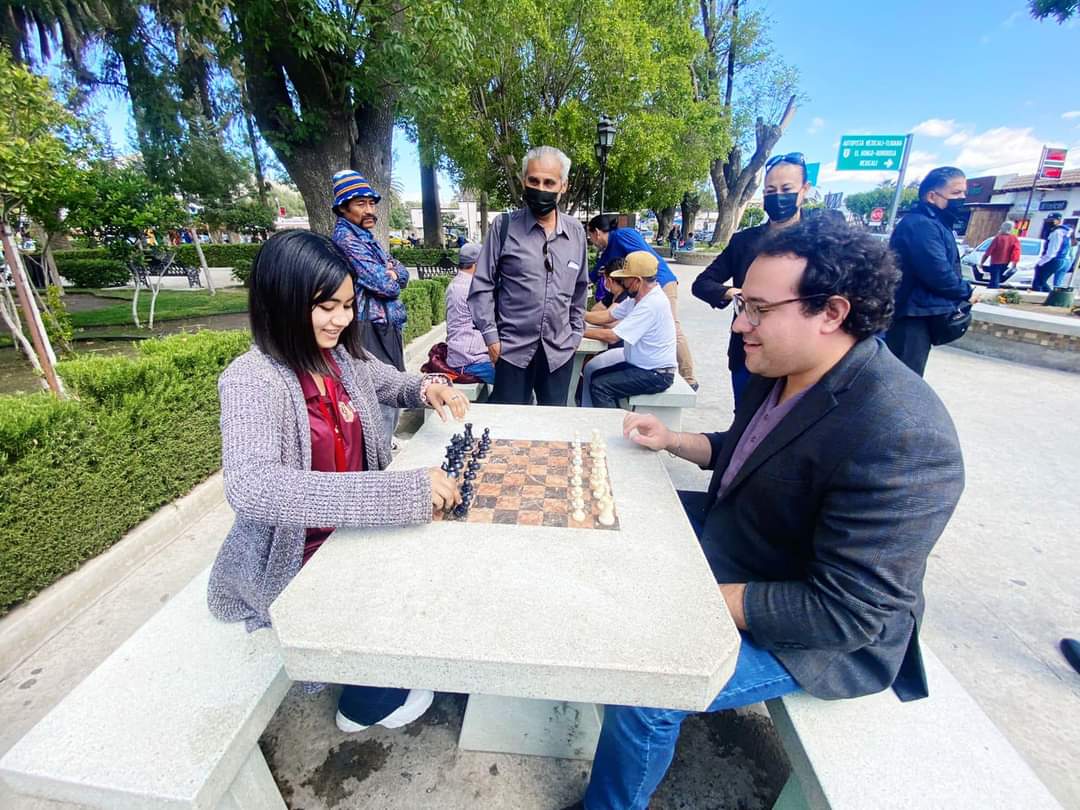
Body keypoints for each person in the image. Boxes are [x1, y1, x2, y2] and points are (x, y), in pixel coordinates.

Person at [561, 218, 965, 810]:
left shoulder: (902, 433)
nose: (740, 323)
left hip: (824, 635)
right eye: (740, 304)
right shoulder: (783, 368)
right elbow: (750, 453)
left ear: (831, 311)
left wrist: (687, 592)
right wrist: (674, 441)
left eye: (757, 308)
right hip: (749, 544)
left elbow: (846, 612)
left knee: (647, 686)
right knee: (611, 515)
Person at [207, 230, 469, 733]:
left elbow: (388, 382)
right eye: (326, 306)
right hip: (297, 552)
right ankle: (367, 701)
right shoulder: (251, 379)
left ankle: (390, 673)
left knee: (445, 554)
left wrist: (427, 387)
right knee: (412, 577)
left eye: (348, 305)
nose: (342, 319)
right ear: (282, 301)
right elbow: (251, 485)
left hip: (351, 527)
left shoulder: (337, 355)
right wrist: (394, 493)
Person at [468, 145, 588, 406]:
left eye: (549, 182)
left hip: (559, 352)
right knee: (508, 428)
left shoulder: (576, 232)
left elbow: (580, 289)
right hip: (511, 351)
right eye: (534, 180)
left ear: (563, 186)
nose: (541, 188)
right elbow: (482, 286)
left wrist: (576, 334)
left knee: (552, 428)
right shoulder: (504, 226)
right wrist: (491, 337)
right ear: (524, 181)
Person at [692, 151, 811, 405]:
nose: (778, 196)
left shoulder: (822, 239)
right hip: (750, 354)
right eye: (770, 191)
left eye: (786, 188)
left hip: (801, 355)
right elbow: (701, 284)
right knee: (746, 427)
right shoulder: (744, 242)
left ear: (804, 190)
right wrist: (732, 293)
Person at [330, 169, 410, 442]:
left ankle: (385, 441)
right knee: (382, 392)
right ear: (343, 207)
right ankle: (382, 457)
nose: (369, 210)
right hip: (368, 325)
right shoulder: (346, 239)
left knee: (394, 384)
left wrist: (393, 272)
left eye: (371, 203)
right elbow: (384, 285)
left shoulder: (365, 237)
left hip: (385, 324)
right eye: (360, 203)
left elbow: (402, 274)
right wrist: (389, 274)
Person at [885, 166, 979, 377]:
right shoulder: (921, 225)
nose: (962, 198)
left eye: (964, 193)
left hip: (920, 311)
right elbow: (936, 271)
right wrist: (966, 291)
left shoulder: (935, 223)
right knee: (903, 379)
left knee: (906, 376)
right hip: (911, 313)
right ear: (931, 196)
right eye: (955, 193)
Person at [587, 215, 698, 390]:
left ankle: (689, 379)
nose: (592, 242)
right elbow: (592, 278)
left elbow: (645, 260)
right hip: (642, 286)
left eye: (590, 237)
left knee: (674, 330)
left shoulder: (623, 235)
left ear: (597, 233)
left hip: (658, 282)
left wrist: (647, 287)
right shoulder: (609, 251)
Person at [581, 251, 676, 408]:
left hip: (657, 373)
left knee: (601, 386)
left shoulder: (651, 304)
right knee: (596, 375)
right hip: (642, 366)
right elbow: (607, 316)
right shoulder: (637, 298)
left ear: (637, 281)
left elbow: (612, 336)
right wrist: (578, 314)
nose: (623, 284)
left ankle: (611, 429)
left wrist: (576, 330)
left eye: (625, 279)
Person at [444, 242, 495, 384]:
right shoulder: (471, 288)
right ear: (476, 264)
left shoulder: (455, 284)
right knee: (517, 380)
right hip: (471, 362)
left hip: (460, 356)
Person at [1032, 212, 1072, 292]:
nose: (1050, 222)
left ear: (1059, 221)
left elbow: (1052, 251)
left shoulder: (1056, 233)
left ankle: (1050, 296)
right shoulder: (1066, 233)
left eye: (1052, 220)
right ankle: (1054, 295)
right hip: (1065, 260)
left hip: (1055, 259)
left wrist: (1041, 262)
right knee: (1056, 284)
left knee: (1039, 282)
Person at [978, 220, 1021, 289]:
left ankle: (992, 293)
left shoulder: (998, 238)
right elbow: (1016, 252)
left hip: (995, 262)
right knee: (997, 279)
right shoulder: (1014, 238)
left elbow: (988, 252)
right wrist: (1014, 264)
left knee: (994, 280)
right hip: (1006, 262)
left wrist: (982, 262)